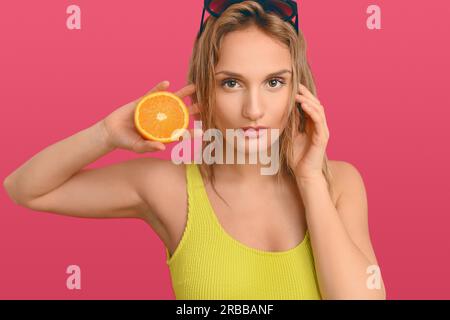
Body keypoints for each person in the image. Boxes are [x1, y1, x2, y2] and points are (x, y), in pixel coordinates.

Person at [3, 0, 386, 300]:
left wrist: (309, 180)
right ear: (204, 92)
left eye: (273, 82)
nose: (254, 110)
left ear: (297, 91)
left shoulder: (339, 183)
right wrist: (104, 133)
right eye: (231, 83)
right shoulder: (170, 189)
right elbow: (25, 188)